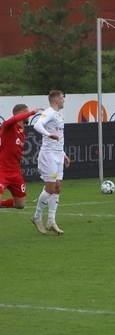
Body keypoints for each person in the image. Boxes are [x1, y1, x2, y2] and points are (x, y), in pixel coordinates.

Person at [31, 90, 70, 235]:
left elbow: (59, 137)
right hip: (48, 156)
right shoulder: (49, 112)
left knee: (58, 187)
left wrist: (64, 154)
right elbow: (37, 125)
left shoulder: (59, 115)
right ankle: (36, 217)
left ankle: (51, 220)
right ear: (55, 99)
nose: (63, 100)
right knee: (50, 188)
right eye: (62, 98)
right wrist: (48, 134)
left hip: (58, 155)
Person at [0, 104, 42, 209]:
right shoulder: (8, 126)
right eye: (26, 113)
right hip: (2, 170)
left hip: (15, 172)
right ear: (22, 114)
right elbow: (15, 119)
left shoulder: (22, 131)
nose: (28, 116)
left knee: (20, 204)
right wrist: (32, 112)